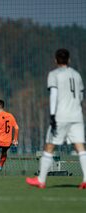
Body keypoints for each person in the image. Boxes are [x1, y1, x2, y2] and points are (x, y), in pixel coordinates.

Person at [26, 48, 86, 189]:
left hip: (61, 116)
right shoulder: (77, 75)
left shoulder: (54, 74)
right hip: (77, 115)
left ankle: (41, 180)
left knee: (49, 146)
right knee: (80, 147)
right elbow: (81, 96)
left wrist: (52, 115)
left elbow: (53, 94)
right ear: (69, 60)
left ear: (55, 60)